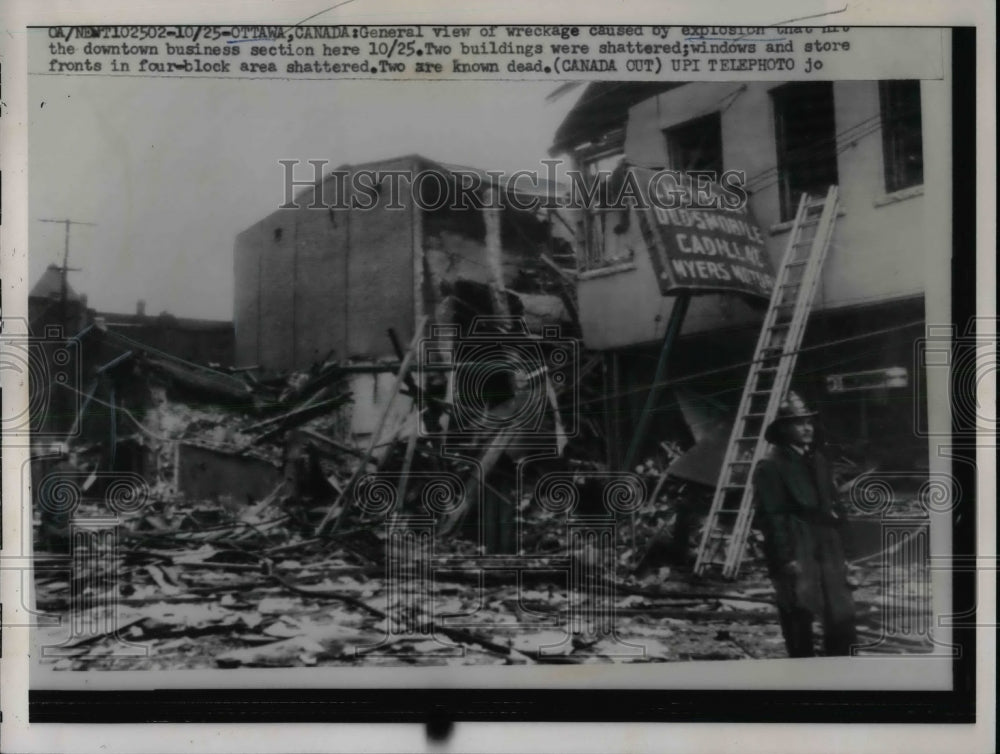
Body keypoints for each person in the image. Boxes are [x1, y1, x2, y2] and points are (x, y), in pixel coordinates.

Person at [753, 391, 857, 657]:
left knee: (840, 609)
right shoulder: (770, 466)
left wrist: (847, 551)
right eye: (799, 423)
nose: (807, 428)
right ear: (783, 429)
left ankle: (843, 667)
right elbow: (772, 517)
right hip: (796, 541)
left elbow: (834, 505)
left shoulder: (818, 460)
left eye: (809, 422)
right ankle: (802, 668)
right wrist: (786, 559)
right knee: (799, 609)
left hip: (827, 541)